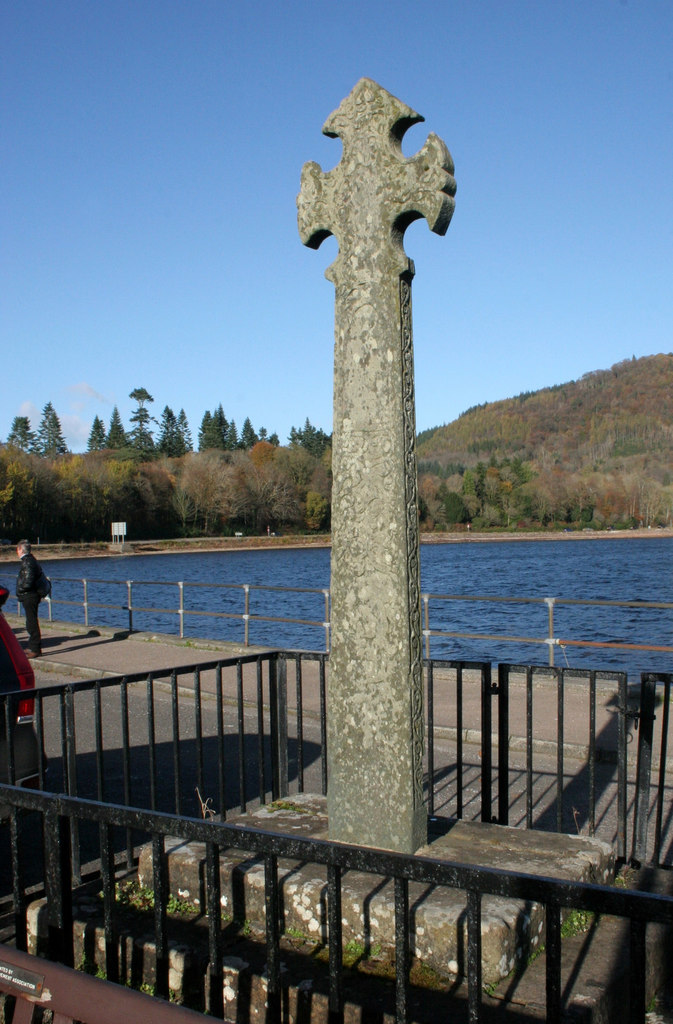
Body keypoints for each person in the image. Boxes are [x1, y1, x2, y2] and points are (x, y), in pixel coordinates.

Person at [15, 540, 45, 658]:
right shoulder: (30, 560)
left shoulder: (28, 562)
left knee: (31, 622)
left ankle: (35, 649)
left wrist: (21, 589)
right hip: (30, 595)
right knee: (30, 622)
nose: (17, 552)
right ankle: (33, 646)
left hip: (30, 595)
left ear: (21, 550)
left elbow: (28, 581)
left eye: (17, 550)